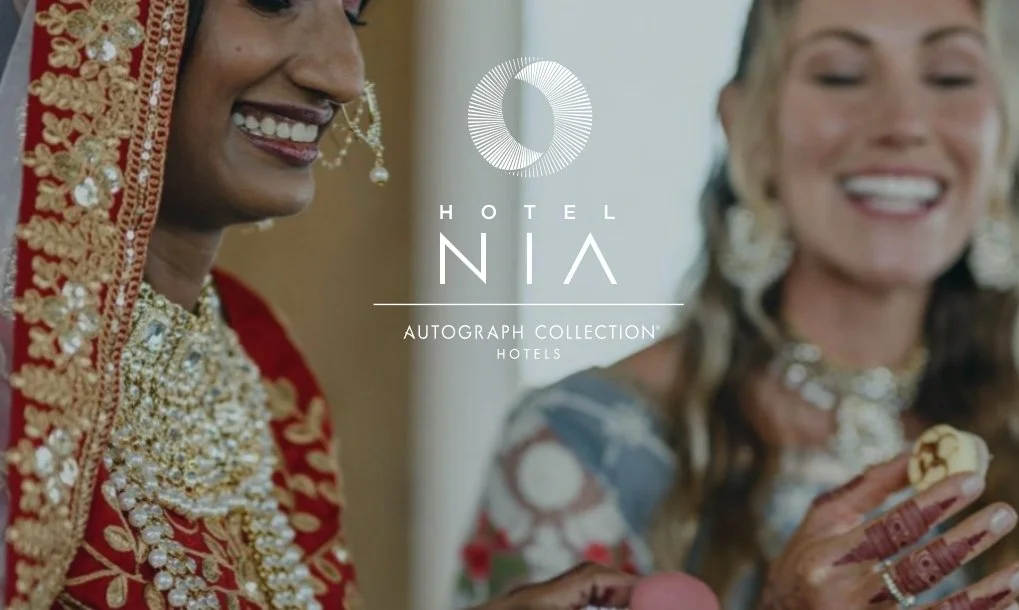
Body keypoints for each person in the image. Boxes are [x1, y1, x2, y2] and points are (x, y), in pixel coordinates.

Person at [454, 0, 1019, 608]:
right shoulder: (582, 445)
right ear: (748, 125)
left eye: (949, 77)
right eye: (841, 76)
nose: (905, 124)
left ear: (1003, 132)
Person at [0, 0, 639, 607]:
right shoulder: (17, 376)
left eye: (353, 14)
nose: (343, 75)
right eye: (271, 1)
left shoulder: (262, 364)